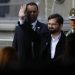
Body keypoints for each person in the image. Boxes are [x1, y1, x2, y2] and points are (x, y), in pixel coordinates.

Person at [12, 2, 48, 70]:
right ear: (25, 13)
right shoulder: (18, 28)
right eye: (29, 12)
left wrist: (22, 21)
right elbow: (15, 47)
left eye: (34, 12)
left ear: (38, 12)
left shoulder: (44, 28)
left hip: (37, 65)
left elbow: (36, 38)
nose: (32, 14)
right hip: (21, 65)